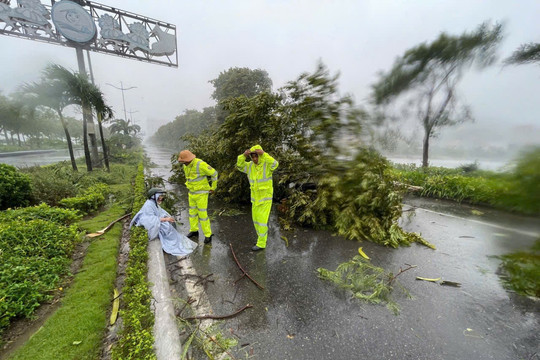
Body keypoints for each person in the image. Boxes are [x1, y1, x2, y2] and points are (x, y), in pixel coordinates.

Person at [130, 188, 197, 256]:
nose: (161, 198)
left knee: (170, 228)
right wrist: (166, 219)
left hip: (157, 222)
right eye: (160, 196)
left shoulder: (153, 203)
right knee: (168, 230)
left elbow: (160, 212)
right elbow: (150, 220)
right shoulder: (149, 205)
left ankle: (175, 240)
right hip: (151, 226)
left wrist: (166, 217)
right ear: (154, 196)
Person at [236, 145, 279, 251]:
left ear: (260, 156)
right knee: (256, 220)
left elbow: (275, 164)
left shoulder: (267, 165)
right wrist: (243, 156)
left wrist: (264, 154)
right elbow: (239, 166)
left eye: (257, 156)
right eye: (253, 157)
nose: (255, 159)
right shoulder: (250, 166)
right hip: (255, 199)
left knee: (262, 221)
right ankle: (260, 239)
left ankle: (261, 243)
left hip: (265, 199)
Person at [177, 150, 218, 244]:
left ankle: (208, 235)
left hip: (202, 194)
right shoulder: (185, 166)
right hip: (191, 193)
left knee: (203, 215)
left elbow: (214, 173)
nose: (183, 163)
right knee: (192, 213)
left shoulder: (200, 164)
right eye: (182, 162)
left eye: (184, 162)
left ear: (189, 160)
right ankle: (194, 230)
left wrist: (213, 187)